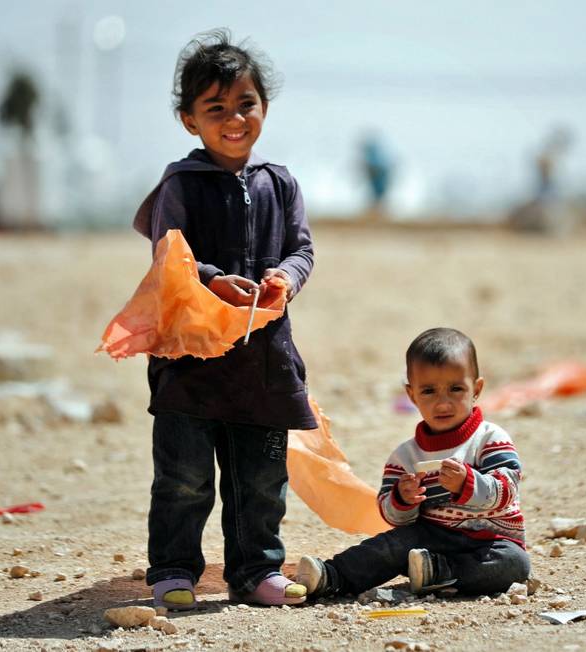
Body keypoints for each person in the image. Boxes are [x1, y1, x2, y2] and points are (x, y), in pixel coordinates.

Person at [129, 29, 317, 609]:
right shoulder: (181, 184)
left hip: (262, 360)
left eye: (245, 104)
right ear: (190, 121)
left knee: (261, 479)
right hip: (190, 360)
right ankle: (174, 569)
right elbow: (170, 250)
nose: (234, 118)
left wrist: (285, 275)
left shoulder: (279, 182)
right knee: (184, 477)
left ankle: (256, 570)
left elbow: (302, 249)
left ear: (263, 108)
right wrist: (212, 278)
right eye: (216, 108)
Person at [293, 328, 530, 598]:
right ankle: (332, 575)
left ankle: (440, 573)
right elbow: (390, 513)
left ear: (476, 389)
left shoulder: (490, 438)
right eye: (429, 391)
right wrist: (403, 499)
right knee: (389, 544)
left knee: (515, 564)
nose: (443, 402)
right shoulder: (406, 456)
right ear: (412, 395)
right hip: (428, 540)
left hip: (490, 541)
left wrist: (469, 483)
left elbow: (508, 489)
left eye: (456, 389)